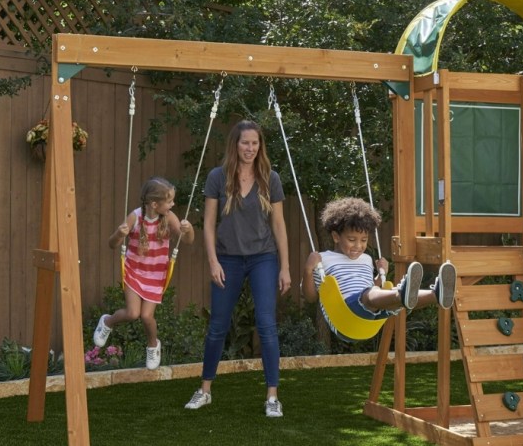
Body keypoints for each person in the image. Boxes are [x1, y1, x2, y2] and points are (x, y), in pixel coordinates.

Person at [184, 120, 291, 418]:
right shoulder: (218, 177)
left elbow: (279, 225)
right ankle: (204, 390)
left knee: (267, 325)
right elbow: (207, 224)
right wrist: (213, 261)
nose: (250, 148)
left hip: (263, 258)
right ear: (235, 144)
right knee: (218, 326)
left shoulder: (270, 178)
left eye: (255, 143)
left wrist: (285, 267)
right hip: (227, 258)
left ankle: (272, 396)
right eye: (245, 143)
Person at [302, 197, 456, 339]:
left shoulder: (366, 259)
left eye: (364, 240)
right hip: (345, 315)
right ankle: (400, 294)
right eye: (351, 239)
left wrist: (380, 276)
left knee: (389, 299)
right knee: (374, 295)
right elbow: (311, 297)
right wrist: (308, 270)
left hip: (371, 317)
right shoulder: (323, 259)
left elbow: (371, 289)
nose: (358, 246)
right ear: (336, 237)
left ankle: (436, 294)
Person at [94, 176, 195, 370]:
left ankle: (152, 345)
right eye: (170, 201)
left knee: (147, 317)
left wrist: (188, 230)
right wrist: (119, 234)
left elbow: (188, 240)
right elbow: (112, 244)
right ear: (155, 204)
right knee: (132, 313)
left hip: (156, 276)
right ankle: (108, 321)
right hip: (134, 271)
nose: (173, 204)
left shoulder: (169, 218)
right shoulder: (135, 217)